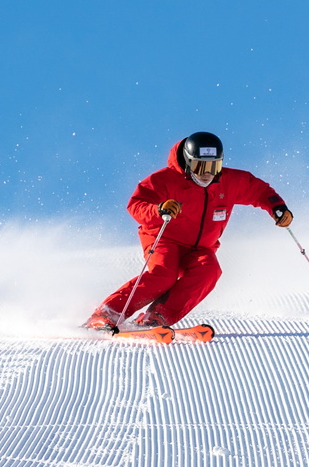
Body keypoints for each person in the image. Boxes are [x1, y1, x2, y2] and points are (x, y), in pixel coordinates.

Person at [85, 131, 292, 332]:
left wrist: (278, 208)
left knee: (209, 270)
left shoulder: (230, 182)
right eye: (200, 166)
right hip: (165, 238)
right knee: (163, 275)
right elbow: (136, 205)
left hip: (200, 247)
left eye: (214, 166)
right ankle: (107, 313)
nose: (207, 173)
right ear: (187, 162)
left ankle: (157, 316)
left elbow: (260, 191)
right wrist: (159, 209)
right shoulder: (165, 180)